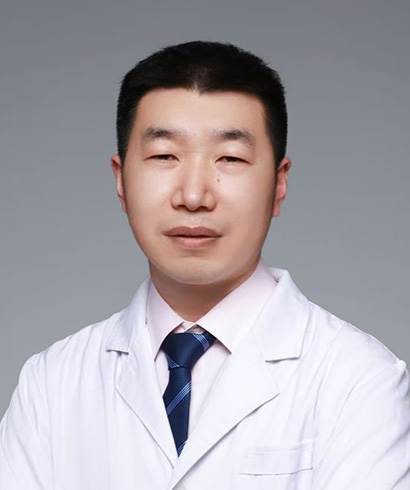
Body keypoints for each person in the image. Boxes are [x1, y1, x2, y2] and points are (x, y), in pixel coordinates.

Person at [0, 40, 409, 490]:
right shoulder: (52, 382)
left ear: (278, 183)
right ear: (121, 180)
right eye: (164, 156)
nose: (194, 196)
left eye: (230, 158)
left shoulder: (360, 379)